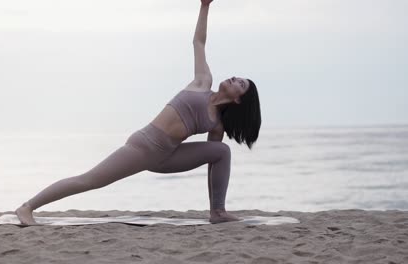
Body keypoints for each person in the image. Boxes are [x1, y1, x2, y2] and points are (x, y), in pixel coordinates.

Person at [15, 0, 261, 226]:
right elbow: (199, 42)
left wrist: (213, 201)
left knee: (221, 151)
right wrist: (205, 6)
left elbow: (212, 166)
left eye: (241, 83)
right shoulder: (202, 82)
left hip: (168, 157)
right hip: (142, 148)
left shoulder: (216, 124)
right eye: (238, 77)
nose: (235, 78)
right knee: (89, 181)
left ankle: (217, 212)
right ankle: (28, 207)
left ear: (239, 99)